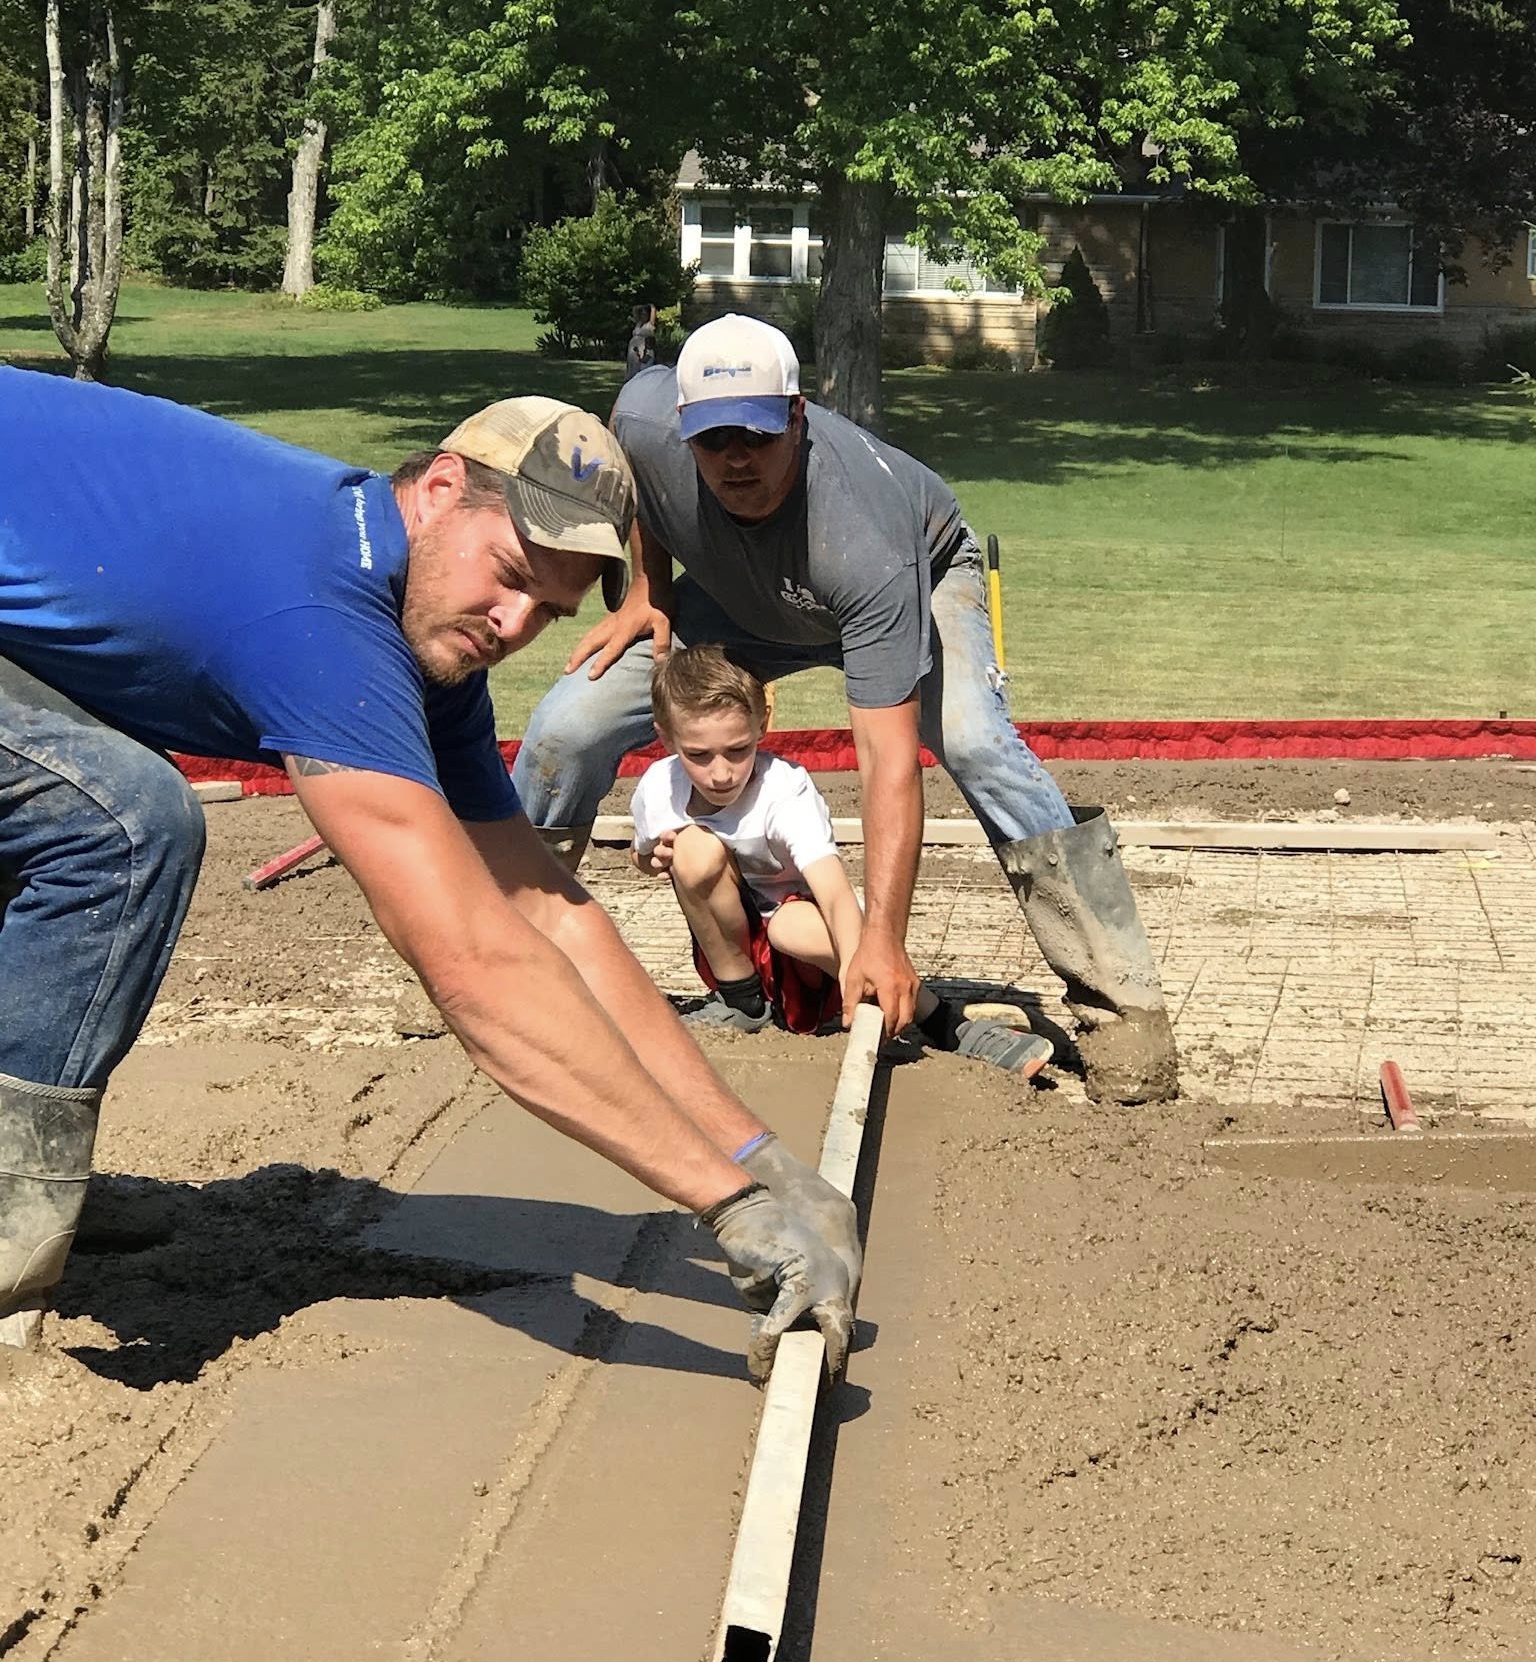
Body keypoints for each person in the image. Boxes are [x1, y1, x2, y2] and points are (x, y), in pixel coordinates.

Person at [0, 368, 858, 1375]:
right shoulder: (325, 613)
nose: (511, 621)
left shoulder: (428, 647)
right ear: (442, 488)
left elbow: (548, 916)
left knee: (78, 801)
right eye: (508, 570)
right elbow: (474, 965)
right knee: (120, 821)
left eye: (545, 606)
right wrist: (727, 1206)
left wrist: (759, 1157)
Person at [512, 312, 1178, 1106]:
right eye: (713, 438)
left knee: (972, 741)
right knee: (566, 728)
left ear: (797, 415)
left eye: (755, 436)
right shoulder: (649, 418)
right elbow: (637, 473)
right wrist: (650, 589)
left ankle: (1121, 1008)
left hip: (915, 582)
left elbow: (888, 762)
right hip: (740, 602)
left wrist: (884, 943)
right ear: (684, 427)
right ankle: (502, 955)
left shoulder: (861, 534)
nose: (734, 459)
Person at [634, 647, 1054, 1074]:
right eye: (699, 756)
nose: (721, 773)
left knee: (789, 926)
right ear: (666, 738)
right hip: (732, 945)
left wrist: (865, 977)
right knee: (693, 850)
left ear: (763, 725)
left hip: (806, 958)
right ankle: (740, 1002)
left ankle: (942, 1021)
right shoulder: (658, 787)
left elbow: (834, 894)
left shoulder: (784, 791)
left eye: (738, 750)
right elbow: (645, 853)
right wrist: (650, 862)